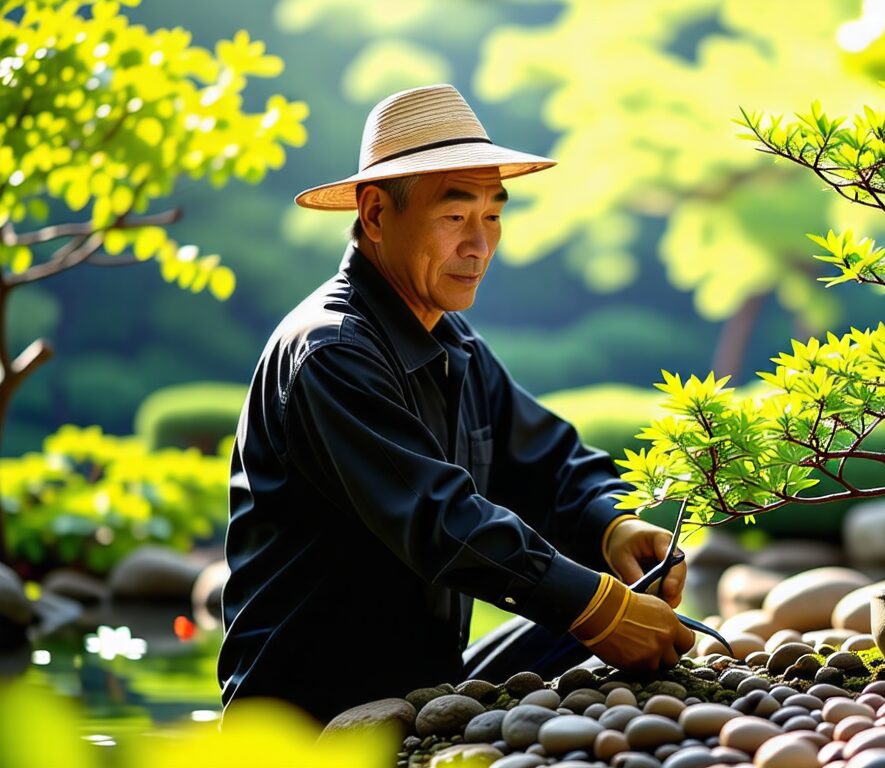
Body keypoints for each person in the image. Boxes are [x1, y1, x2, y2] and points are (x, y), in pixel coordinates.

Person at [219, 84, 695, 725]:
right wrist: (598, 609)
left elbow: (550, 462)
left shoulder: (449, 337)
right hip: (311, 710)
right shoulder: (331, 352)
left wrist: (613, 526)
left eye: (492, 215)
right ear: (378, 214)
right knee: (598, 622)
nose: (479, 244)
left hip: (427, 678)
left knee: (644, 638)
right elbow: (439, 519)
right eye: (454, 216)